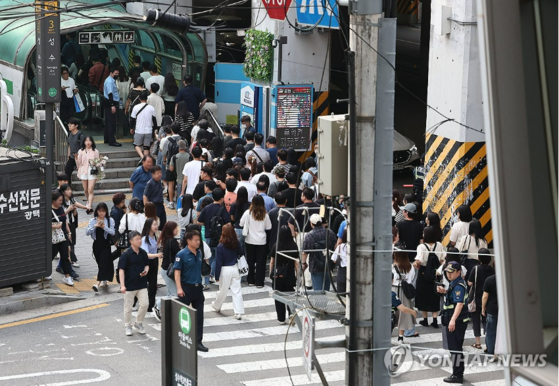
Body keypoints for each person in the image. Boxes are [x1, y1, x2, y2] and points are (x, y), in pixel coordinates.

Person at [174, 230, 209, 352]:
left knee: (199, 317)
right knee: (183, 317)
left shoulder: (199, 253)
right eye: (196, 240)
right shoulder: (181, 255)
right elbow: (177, 272)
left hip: (198, 288)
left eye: (199, 240)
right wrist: (179, 288)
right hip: (185, 288)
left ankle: (198, 341)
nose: (198, 242)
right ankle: (180, 341)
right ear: (188, 241)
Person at [437, 262, 469, 383]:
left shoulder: (459, 285)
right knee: (455, 348)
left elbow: (459, 304)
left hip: (457, 321)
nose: (448, 275)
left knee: (455, 348)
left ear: (458, 272)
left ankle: (457, 375)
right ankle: (458, 372)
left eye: (451, 272)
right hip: (456, 320)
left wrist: (452, 320)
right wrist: (445, 292)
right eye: (447, 272)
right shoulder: (455, 283)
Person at [118, 231, 150, 336]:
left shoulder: (143, 253)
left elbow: (147, 264)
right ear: (131, 241)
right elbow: (121, 270)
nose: (140, 241)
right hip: (129, 285)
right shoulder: (126, 255)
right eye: (137, 239)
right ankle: (128, 325)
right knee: (128, 307)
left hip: (141, 284)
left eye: (140, 239)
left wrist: (146, 271)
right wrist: (122, 285)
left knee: (145, 304)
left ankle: (138, 322)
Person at [414, 226, 445, 328]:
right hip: (436, 272)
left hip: (424, 273)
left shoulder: (421, 247)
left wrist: (415, 265)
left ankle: (425, 320)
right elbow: (442, 259)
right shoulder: (439, 245)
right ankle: (435, 320)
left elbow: (418, 261)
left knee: (423, 295)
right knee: (434, 295)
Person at [198, 188, 231, 283]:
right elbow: (228, 223)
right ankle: (211, 274)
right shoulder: (222, 209)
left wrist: (208, 225)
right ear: (222, 198)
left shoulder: (207, 208)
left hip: (208, 236)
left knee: (209, 256)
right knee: (217, 257)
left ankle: (208, 275)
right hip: (219, 237)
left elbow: (199, 221)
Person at [212, 224, 244, 319]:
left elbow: (218, 262)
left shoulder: (220, 246)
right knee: (237, 291)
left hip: (225, 269)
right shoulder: (236, 243)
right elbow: (241, 253)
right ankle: (238, 312)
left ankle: (217, 306)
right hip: (235, 267)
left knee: (223, 290)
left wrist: (216, 276)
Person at [239, 195, 272, 287]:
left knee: (250, 261)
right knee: (261, 262)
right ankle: (259, 282)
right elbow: (269, 227)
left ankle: (250, 280)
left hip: (249, 239)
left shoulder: (248, 213)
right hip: (262, 240)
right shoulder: (265, 214)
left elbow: (241, 223)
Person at [152, 221, 181, 321]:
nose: (177, 230)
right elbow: (179, 254)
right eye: (176, 228)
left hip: (166, 270)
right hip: (169, 271)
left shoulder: (167, 239)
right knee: (174, 294)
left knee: (170, 293)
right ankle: (158, 304)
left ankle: (167, 312)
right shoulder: (172, 241)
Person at [269, 226, 298, 324]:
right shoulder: (294, 246)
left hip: (278, 275)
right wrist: (298, 276)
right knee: (290, 295)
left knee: (279, 296)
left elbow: (272, 261)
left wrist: (271, 273)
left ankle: (281, 318)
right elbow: (296, 263)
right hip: (289, 275)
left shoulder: (276, 246)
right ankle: (291, 314)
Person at [467, 249, 494, 350]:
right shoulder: (492, 269)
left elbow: (469, 283)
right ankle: (488, 344)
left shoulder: (476, 268)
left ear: (479, 258)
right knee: (486, 321)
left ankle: (478, 343)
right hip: (488, 299)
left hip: (476, 299)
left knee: (475, 320)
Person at [86, 203, 116, 292]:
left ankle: (97, 284)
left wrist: (104, 227)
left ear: (106, 211)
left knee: (103, 263)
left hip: (106, 245)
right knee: (100, 263)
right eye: (100, 211)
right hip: (96, 245)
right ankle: (105, 278)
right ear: (97, 211)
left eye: (103, 211)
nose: (101, 213)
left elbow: (113, 232)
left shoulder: (110, 220)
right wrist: (94, 226)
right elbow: (87, 232)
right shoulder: (92, 220)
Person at [302, 214, 336, 291]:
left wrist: (303, 263)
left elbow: (305, 252)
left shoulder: (309, 235)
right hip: (328, 264)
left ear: (311, 223)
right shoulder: (330, 232)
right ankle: (325, 303)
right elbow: (335, 246)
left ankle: (320, 303)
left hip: (315, 265)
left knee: (318, 290)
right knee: (326, 289)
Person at [392, 245, 417, 343]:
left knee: (392, 313)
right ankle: (400, 337)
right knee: (403, 313)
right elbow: (410, 279)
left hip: (394, 289)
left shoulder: (393, 267)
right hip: (405, 291)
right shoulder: (410, 267)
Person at [139, 218, 163, 313]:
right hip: (146, 263)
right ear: (149, 226)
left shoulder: (154, 237)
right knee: (143, 285)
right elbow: (146, 254)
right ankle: (137, 302)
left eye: (157, 224)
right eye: (154, 225)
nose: (156, 226)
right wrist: (157, 255)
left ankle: (150, 306)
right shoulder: (145, 238)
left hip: (154, 263)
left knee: (153, 285)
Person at [51, 191, 74, 285]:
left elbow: (65, 222)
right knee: (51, 255)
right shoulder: (49, 210)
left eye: (62, 200)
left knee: (65, 256)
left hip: (63, 237)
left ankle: (67, 276)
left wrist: (69, 233)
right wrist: (54, 226)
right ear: (53, 200)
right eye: (59, 200)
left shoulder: (61, 209)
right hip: (53, 238)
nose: (61, 202)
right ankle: (46, 273)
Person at [130, 90, 157, 160]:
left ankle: (142, 157)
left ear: (139, 99)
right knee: (146, 147)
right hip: (148, 130)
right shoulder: (151, 108)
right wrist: (155, 129)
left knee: (136, 145)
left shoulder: (135, 107)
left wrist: (131, 128)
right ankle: (145, 160)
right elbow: (154, 120)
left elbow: (132, 119)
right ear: (147, 99)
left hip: (139, 130)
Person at [76, 136, 99, 212]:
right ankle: (88, 200)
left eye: (89, 140)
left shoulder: (95, 151)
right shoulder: (81, 151)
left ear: (92, 142)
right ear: (84, 142)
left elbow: (98, 163)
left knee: (90, 189)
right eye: (86, 141)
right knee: (85, 189)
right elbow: (79, 163)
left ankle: (89, 205)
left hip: (92, 171)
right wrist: (76, 159)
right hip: (83, 170)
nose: (88, 142)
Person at [103, 66, 122, 147]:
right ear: (111, 73)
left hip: (108, 102)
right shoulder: (110, 81)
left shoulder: (109, 80)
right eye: (116, 73)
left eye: (118, 73)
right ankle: (112, 140)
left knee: (108, 122)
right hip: (111, 102)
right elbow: (110, 93)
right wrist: (112, 105)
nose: (117, 75)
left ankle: (107, 138)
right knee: (111, 122)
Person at [143, 165, 166, 230]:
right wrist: (147, 208)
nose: (160, 175)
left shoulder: (159, 181)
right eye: (157, 173)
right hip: (154, 205)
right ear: (152, 174)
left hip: (160, 204)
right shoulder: (150, 183)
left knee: (163, 223)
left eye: (160, 173)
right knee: (156, 224)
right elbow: (145, 195)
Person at [64, 118, 84, 185]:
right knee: (67, 172)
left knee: (83, 175)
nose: (69, 126)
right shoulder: (69, 134)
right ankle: (68, 188)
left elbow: (83, 148)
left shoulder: (80, 135)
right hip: (72, 157)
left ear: (76, 126)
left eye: (71, 124)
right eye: (69, 124)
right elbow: (69, 146)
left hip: (80, 158)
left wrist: (79, 157)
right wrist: (68, 156)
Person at [482, 274, 498, 356]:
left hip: (492, 309)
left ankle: (491, 351)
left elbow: (485, 296)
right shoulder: (508, 279)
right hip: (505, 309)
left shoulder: (489, 279)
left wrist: (483, 307)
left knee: (491, 331)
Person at [110, 193, 127, 260]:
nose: (124, 204)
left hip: (120, 235)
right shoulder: (116, 213)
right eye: (123, 202)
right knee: (120, 252)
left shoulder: (117, 209)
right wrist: (116, 240)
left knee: (120, 252)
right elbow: (115, 227)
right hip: (118, 236)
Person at [332, 228, 349, 295]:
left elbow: (334, 260)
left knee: (342, 293)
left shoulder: (340, 247)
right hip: (355, 270)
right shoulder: (358, 248)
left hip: (343, 271)